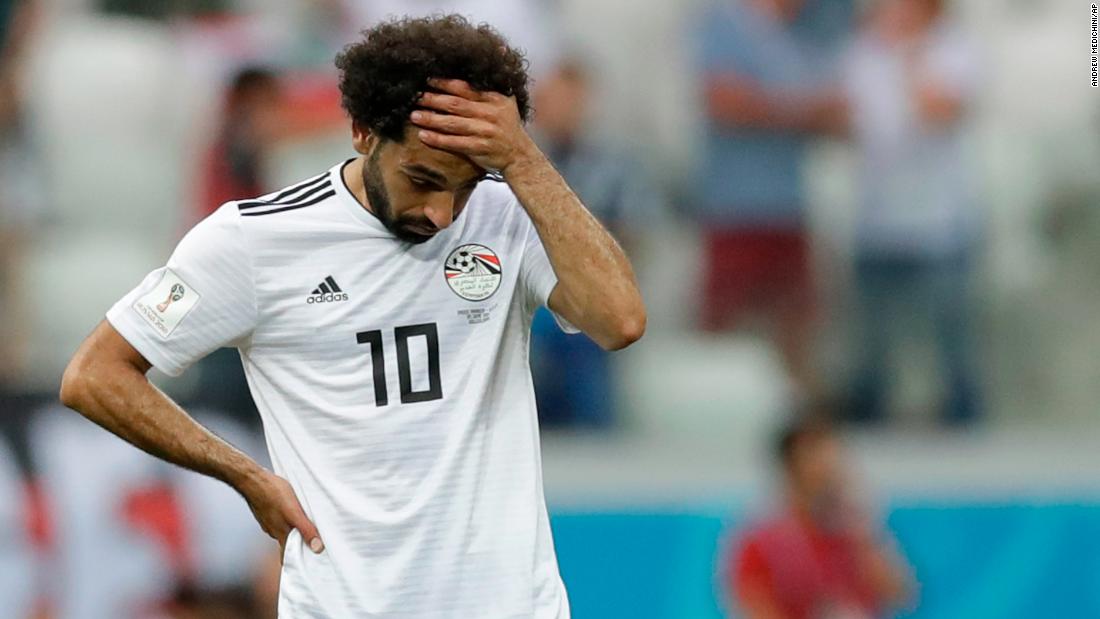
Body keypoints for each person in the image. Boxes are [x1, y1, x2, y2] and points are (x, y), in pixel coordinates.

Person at [59, 14, 645, 619]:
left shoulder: (508, 214)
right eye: (422, 179)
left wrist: (524, 162)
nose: (444, 214)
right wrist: (244, 475)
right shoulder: (254, 242)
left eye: (465, 186)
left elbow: (620, 321)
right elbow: (95, 375)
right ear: (363, 132)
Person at [695, 0, 848, 399]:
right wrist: (797, 112)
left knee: (796, 323)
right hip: (735, 208)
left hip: (788, 207)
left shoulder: (804, 32)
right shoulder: (726, 22)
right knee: (725, 323)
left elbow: (838, 113)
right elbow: (722, 100)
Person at [842, 0, 982, 425]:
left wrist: (908, 57)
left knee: (950, 341)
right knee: (871, 344)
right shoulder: (861, 51)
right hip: (876, 220)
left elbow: (940, 111)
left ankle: (964, 425)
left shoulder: (955, 48)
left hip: (939, 221)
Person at [528, 58, 664, 428]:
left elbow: (637, 230)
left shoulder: (617, 163)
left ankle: (595, 435)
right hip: (528, 290)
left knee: (589, 330)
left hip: (588, 288)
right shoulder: (515, 162)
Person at [725, 419, 913, 619]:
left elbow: (899, 593)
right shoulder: (762, 544)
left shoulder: (853, 534)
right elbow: (757, 609)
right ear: (791, 470)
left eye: (833, 461)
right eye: (817, 461)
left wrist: (861, 529)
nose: (828, 469)